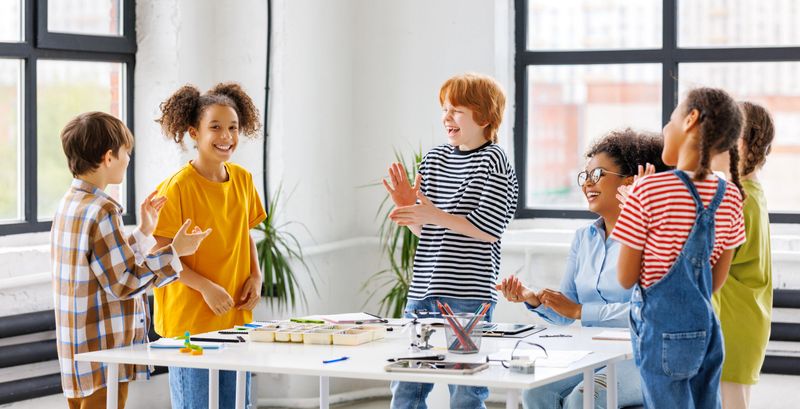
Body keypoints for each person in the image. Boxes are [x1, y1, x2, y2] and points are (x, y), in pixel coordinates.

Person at [497, 128, 669, 408]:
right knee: (535, 392)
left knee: (583, 399)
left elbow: (649, 311)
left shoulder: (653, 238)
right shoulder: (583, 238)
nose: (587, 183)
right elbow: (567, 310)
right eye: (584, 175)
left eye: (598, 175)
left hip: (642, 357)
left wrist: (580, 311)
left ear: (630, 182)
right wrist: (534, 298)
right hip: (594, 353)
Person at [51, 111, 209, 409]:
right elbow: (125, 282)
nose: (128, 159)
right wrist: (175, 252)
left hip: (77, 346)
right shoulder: (103, 210)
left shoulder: (70, 204)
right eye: (126, 152)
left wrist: (145, 231)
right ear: (108, 157)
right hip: (104, 349)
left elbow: (107, 263)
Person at [383, 73, 518, 409]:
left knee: (465, 390)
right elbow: (428, 231)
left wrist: (430, 214)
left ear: (485, 117)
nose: (447, 117)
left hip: (468, 299)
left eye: (457, 110)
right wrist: (406, 207)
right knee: (407, 389)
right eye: (445, 109)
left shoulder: (495, 162)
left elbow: (489, 228)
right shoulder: (434, 159)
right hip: (422, 295)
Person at [614, 87, 746, 408]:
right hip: (708, 333)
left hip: (662, 335)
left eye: (670, 118)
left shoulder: (649, 189)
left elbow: (626, 278)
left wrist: (631, 209)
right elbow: (715, 283)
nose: (665, 128)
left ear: (690, 119)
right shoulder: (730, 196)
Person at [153, 83, 266, 409]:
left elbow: (244, 235)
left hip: (234, 317)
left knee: (237, 404)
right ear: (194, 133)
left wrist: (256, 277)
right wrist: (205, 287)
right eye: (215, 127)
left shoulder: (243, 180)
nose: (226, 136)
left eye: (232, 127)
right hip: (190, 323)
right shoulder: (177, 188)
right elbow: (161, 256)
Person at [711, 101, 775, 409]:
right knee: (737, 399)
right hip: (748, 316)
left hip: (732, 319)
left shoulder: (737, 198)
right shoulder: (751, 192)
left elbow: (709, 259)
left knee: (730, 400)